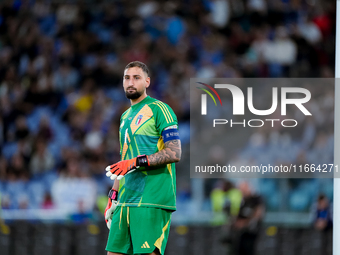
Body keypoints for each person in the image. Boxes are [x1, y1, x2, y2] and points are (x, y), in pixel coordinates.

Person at [104, 61, 181, 255]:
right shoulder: (124, 117)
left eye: (136, 78)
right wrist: (113, 197)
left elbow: (174, 152)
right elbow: (124, 160)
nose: (131, 82)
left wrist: (136, 162)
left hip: (151, 198)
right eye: (127, 78)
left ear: (147, 81)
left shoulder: (160, 109)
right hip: (126, 199)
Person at [231, 181, 264, 255]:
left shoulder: (256, 199)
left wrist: (244, 223)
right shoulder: (241, 202)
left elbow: (258, 214)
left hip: (253, 234)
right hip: (241, 236)